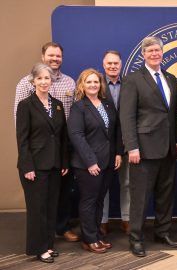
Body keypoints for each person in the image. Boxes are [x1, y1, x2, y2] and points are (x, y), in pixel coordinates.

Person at [120, 36, 177, 257]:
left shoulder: (170, 78)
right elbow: (126, 117)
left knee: (166, 193)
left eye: (158, 50)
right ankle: (136, 238)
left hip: (167, 148)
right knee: (140, 197)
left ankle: (162, 232)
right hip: (143, 149)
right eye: (151, 51)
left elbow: (173, 114)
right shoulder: (133, 79)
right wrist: (132, 147)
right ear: (143, 54)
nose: (155, 54)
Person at [14, 42, 79, 242]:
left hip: (63, 147)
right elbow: (21, 125)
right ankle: (40, 240)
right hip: (38, 149)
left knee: (61, 195)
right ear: (43, 56)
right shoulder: (25, 84)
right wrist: (27, 161)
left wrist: (66, 153)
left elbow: (74, 113)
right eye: (51, 55)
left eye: (58, 56)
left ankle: (60, 229)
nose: (55, 59)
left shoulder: (69, 83)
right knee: (40, 201)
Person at [16, 63, 69, 263]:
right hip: (34, 166)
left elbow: (62, 137)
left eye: (47, 78)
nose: (44, 82)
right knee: (37, 209)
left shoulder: (57, 104)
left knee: (50, 207)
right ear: (33, 81)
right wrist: (27, 165)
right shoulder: (26, 105)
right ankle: (38, 248)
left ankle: (48, 245)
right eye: (40, 78)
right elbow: (22, 139)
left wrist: (64, 161)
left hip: (55, 165)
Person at [67, 69, 123, 253]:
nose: (93, 85)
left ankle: (96, 235)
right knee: (89, 201)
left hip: (107, 162)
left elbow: (114, 132)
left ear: (101, 84)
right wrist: (90, 162)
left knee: (99, 200)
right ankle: (88, 238)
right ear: (82, 85)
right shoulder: (79, 106)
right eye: (89, 82)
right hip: (88, 164)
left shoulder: (107, 104)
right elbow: (76, 136)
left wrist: (117, 153)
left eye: (96, 82)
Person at [100, 50, 130, 236]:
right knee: (103, 184)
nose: (112, 66)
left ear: (121, 65)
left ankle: (126, 218)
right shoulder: (96, 84)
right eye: (109, 63)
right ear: (104, 65)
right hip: (103, 143)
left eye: (116, 63)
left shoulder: (129, 84)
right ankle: (102, 220)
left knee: (127, 182)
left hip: (126, 142)